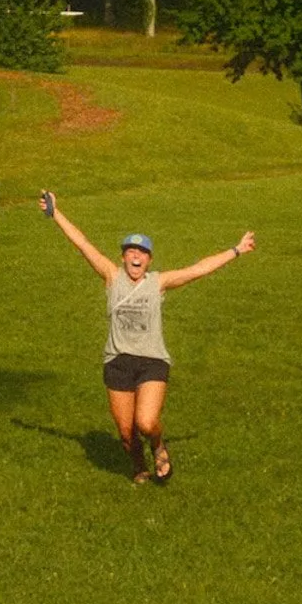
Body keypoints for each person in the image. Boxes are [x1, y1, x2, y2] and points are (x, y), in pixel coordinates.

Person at [39, 191, 256, 484]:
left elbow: (198, 270)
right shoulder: (111, 276)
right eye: (130, 251)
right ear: (123, 257)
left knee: (146, 422)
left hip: (152, 361)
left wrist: (237, 250)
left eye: (141, 253)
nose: (136, 256)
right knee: (127, 434)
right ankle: (138, 464)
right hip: (117, 361)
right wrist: (56, 213)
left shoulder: (158, 283)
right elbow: (82, 244)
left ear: (149, 259)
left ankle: (157, 445)